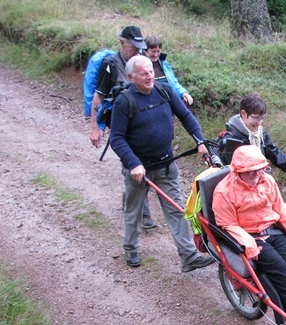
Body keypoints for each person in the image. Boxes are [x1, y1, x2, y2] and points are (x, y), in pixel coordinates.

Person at [109, 55, 215, 273]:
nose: (150, 77)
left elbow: (186, 116)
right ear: (131, 77)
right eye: (144, 73)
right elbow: (116, 138)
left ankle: (188, 256)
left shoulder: (164, 90)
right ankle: (130, 248)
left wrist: (200, 140)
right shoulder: (124, 101)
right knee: (134, 210)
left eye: (151, 72)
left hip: (166, 164)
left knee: (177, 209)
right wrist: (133, 163)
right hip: (139, 170)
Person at [212, 145, 286, 325]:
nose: (256, 175)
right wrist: (248, 243)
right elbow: (228, 224)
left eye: (259, 170)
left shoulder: (268, 181)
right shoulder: (224, 192)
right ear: (238, 171)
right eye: (250, 172)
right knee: (279, 268)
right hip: (250, 236)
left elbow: (280, 208)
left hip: (272, 230)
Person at [89, 25, 156, 229]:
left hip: (143, 122)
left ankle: (130, 196)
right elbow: (98, 96)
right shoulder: (111, 65)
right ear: (122, 43)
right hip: (122, 125)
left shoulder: (143, 64)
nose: (137, 50)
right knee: (134, 163)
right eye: (133, 46)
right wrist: (94, 126)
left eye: (139, 46)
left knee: (141, 165)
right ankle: (143, 213)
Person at [218, 94, 286, 187]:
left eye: (262, 118)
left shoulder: (260, 134)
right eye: (256, 117)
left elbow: (275, 155)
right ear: (243, 114)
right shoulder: (231, 139)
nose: (259, 123)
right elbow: (225, 172)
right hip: (238, 189)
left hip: (257, 183)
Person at [144, 35, 193, 105]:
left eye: (158, 51)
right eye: (153, 51)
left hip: (168, 102)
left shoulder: (164, 63)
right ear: (145, 51)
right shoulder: (140, 66)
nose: (156, 54)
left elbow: (173, 82)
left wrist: (183, 93)